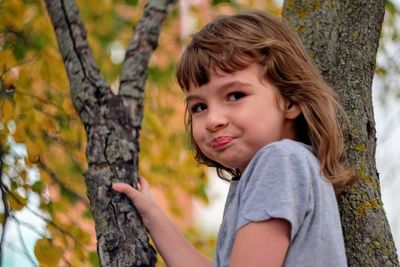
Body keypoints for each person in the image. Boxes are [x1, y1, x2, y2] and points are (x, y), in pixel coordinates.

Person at [113, 9, 353, 267]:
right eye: (199, 107)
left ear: (290, 99)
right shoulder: (286, 167)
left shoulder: (280, 161)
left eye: (235, 95)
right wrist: (152, 216)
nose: (213, 120)